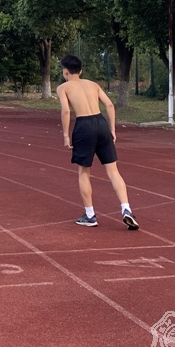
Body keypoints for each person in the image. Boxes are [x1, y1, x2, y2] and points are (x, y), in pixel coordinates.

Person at [56, 54, 139, 230]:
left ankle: (90, 215)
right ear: (81, 71)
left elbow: (66, 111)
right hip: (101, 123)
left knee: (84, 172)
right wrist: (112, 129)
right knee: (113, 171)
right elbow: (109, 105)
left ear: (65, 72)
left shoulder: (63, 88)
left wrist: (65, 135)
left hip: (84, 126)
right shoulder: (93, 84)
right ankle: (127, 209)